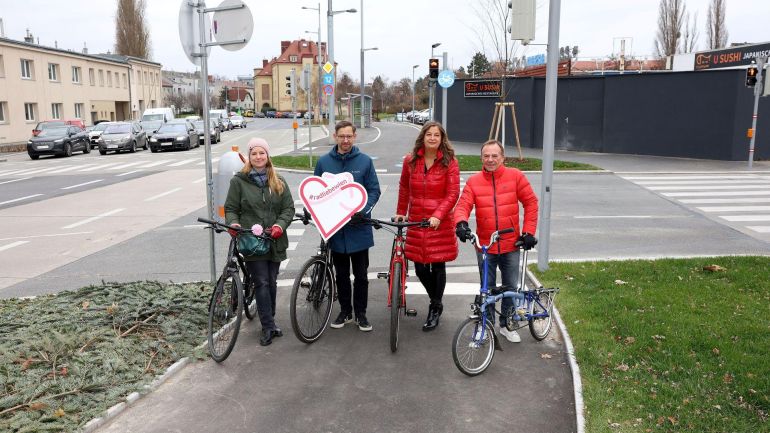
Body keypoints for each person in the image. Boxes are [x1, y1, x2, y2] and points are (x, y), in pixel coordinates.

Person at [454, 139, 539, 343]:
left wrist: (528, 232)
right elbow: (462, 205)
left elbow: (531, 202)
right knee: (487, 288)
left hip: (511, 244)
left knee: (510, 286)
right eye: (486, 156)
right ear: (481, 158)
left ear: (503, 157)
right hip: (485, 245)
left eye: (494, 156)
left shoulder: (515, 176)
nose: (490, 160)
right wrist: (461, 224)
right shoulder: (474, 181)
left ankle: (507, 325)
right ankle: (487, 326)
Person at [224, 137, 295, 346]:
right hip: (252, 242)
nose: (258, 157)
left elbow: (288, 208)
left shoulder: (279, 181)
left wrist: (279, 226)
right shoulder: (239, 181)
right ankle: (267, 326)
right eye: (254, 153)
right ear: (249, 157)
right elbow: (231, 209)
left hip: (274, 240)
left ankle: (270, 320)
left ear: (267, 155)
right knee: (262, 282)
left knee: (272, 282)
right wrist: (234, 223)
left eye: (261, 153)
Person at [314, 121, 381, 332]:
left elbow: (374, 190)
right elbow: (315, 192)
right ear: (335, 136)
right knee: (341, 275)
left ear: (355, 136)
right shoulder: (324, 162)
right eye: (341, 136)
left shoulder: (365, 162)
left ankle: (361, 313)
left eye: (349, 136)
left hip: (359, 229)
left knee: (361, 275)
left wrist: (364, 209)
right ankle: (345, 311)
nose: (345, 140)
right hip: (336, 231)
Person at [394, 121, 460, 331]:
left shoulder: (450, 162)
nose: (432, 138)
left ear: (442, 139)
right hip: (416, 220)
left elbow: (452, 194)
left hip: (438, 223)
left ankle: (434, 306)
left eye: (436, 135)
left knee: (438, 264)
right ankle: (437, 301)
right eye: (429, 134)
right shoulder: (410, 161)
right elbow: (404, 187)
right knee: (420, 266)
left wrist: (438, 215)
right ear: (422, 137)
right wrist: (400, 212)